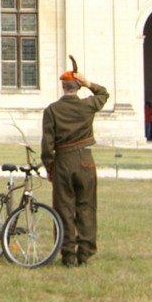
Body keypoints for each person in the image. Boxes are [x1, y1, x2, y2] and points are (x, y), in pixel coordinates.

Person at [41, 66, 110, 268]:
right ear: (77, 87)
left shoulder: (52, 110)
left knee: (64, 208)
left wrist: (49, 166)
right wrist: (88, 83)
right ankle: (85, 253)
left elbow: (47, 144)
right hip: (85, 159)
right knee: (86, 207)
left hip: (63, 160)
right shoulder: (87, 106)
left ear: (63, 87)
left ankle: (68, 254)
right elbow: (103, 93)